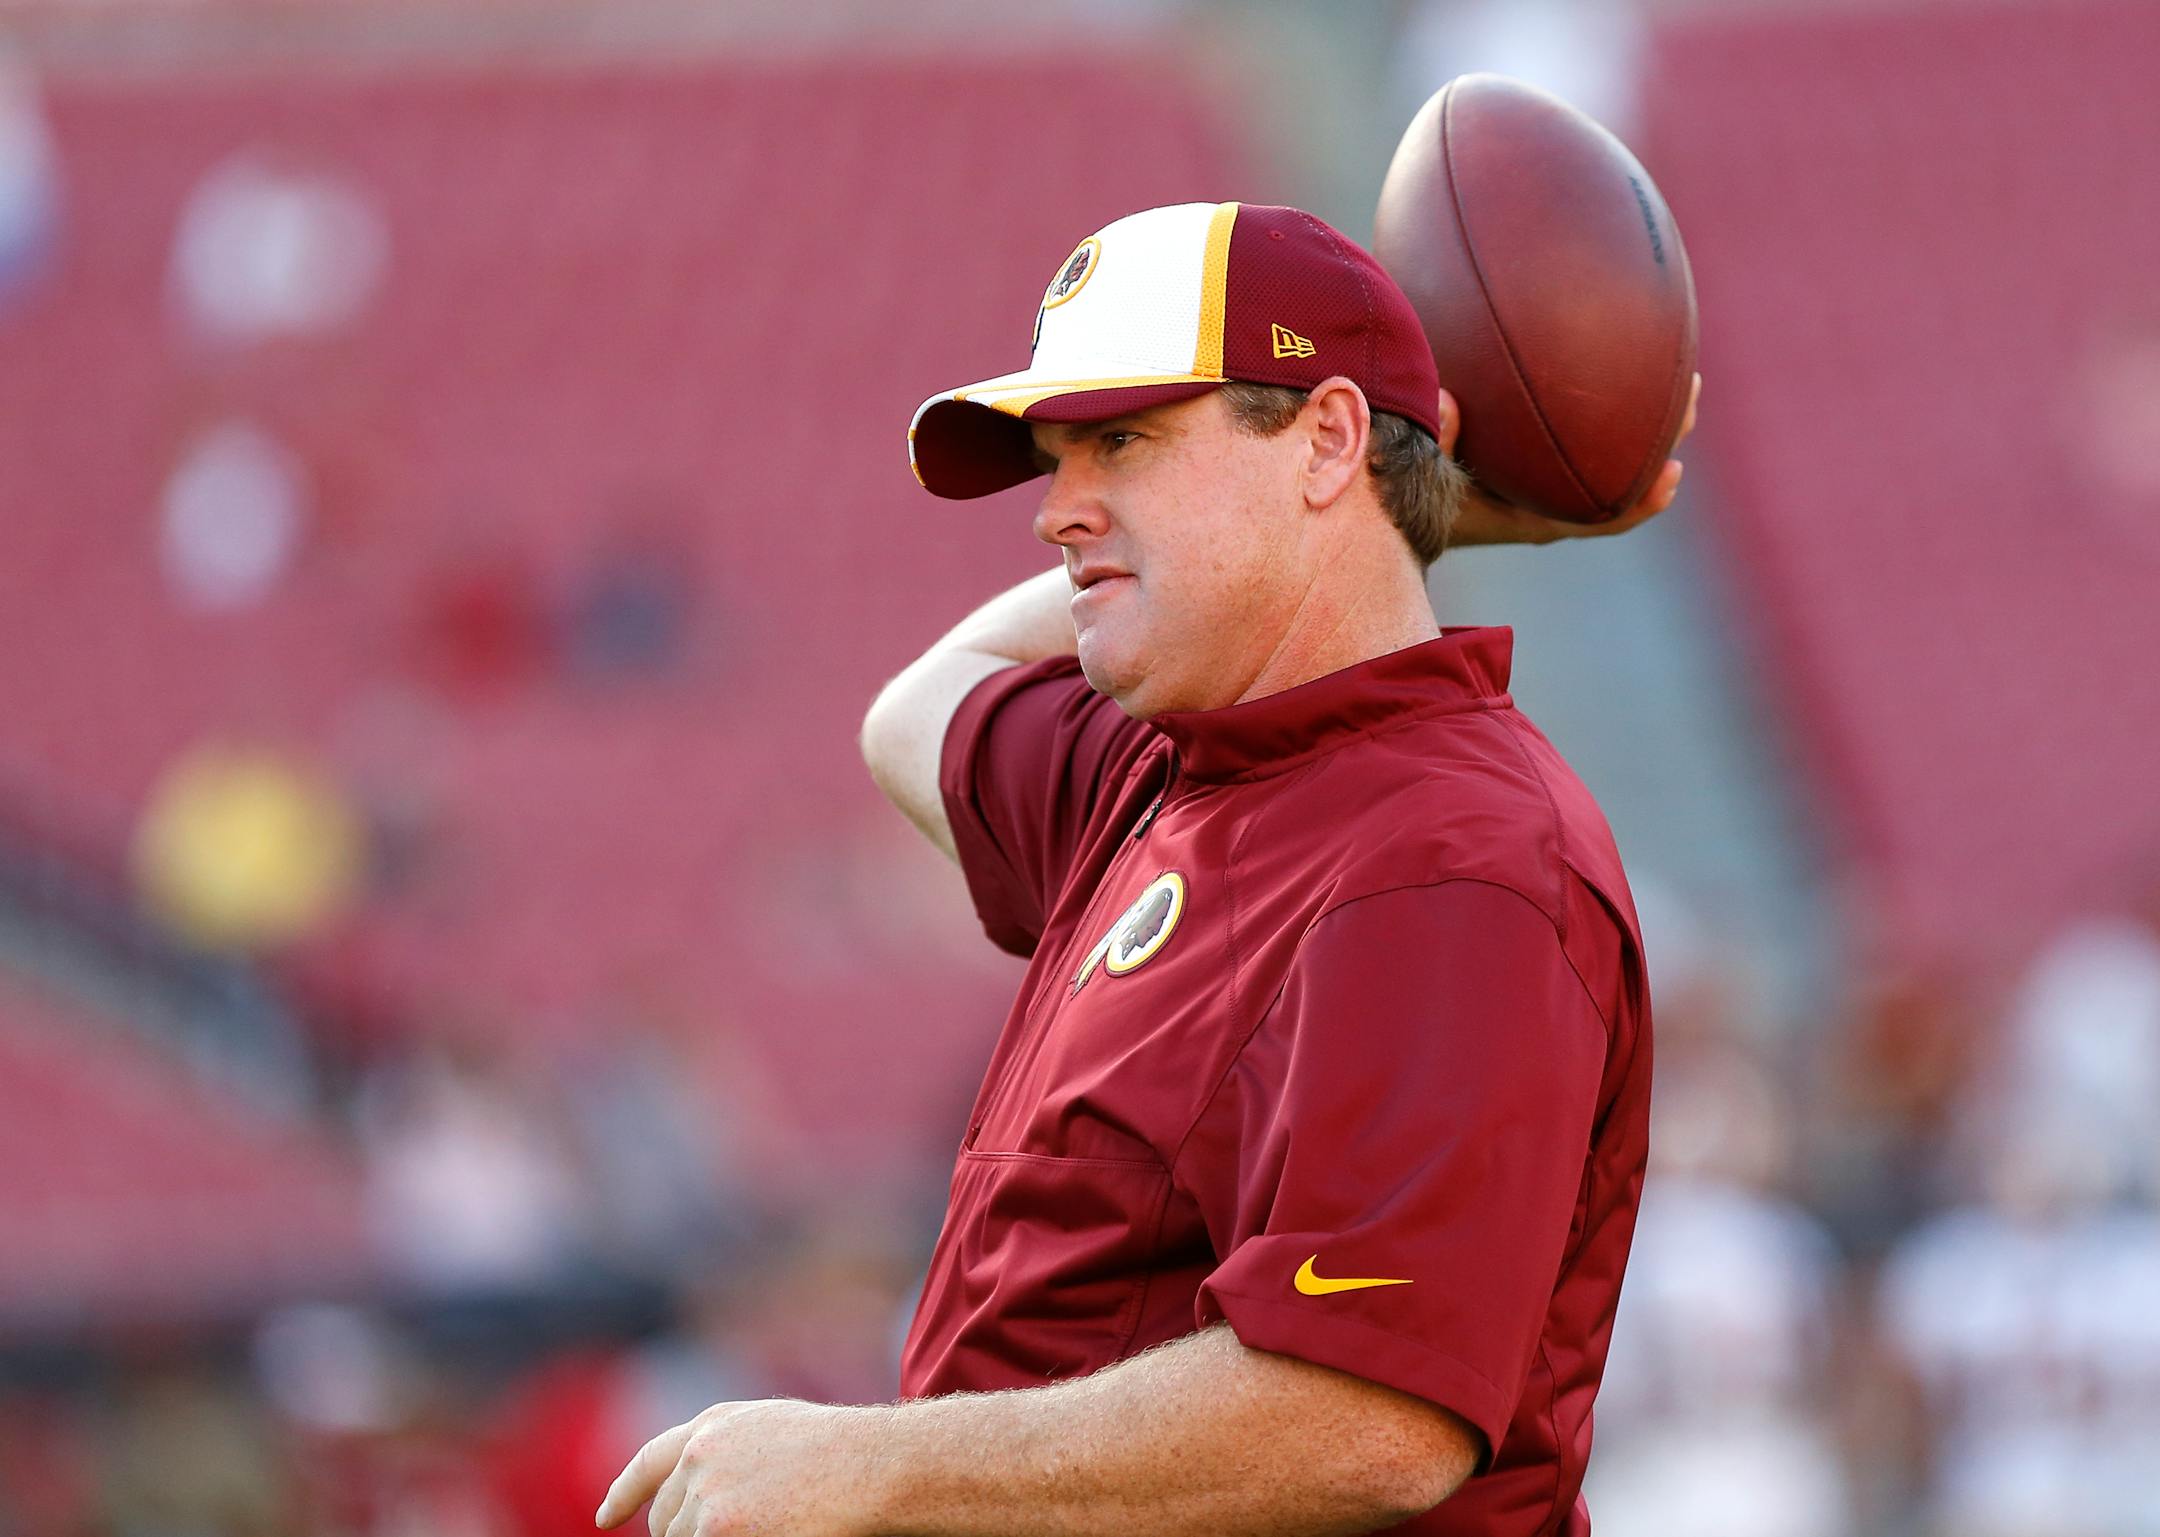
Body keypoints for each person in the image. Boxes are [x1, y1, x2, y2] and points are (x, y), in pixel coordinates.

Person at [597, 201, 1695, 1536]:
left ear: (1327, 439)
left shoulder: (1455, 854)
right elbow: (918, 708)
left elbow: (1367, 1417)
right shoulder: (1167, 766)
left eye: (1122, 440)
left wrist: (872, 1468)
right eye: (1060, 455)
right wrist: (1423, 520)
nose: (1060, 511)